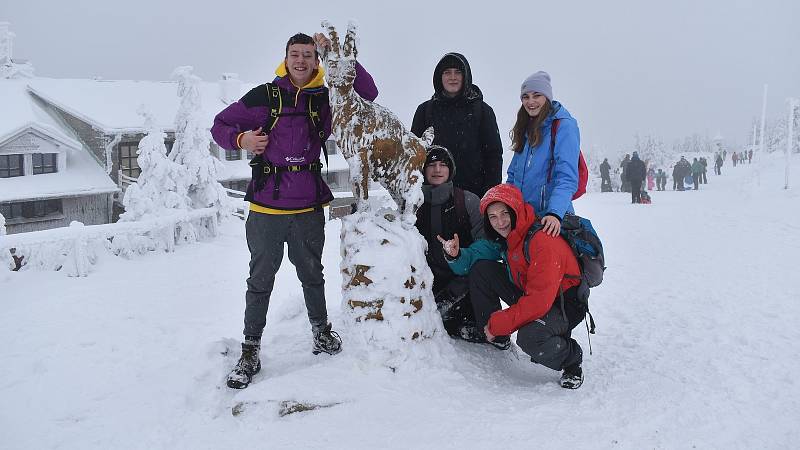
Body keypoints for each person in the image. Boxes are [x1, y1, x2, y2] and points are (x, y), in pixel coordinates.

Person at [211, 32, 379, 389]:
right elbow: (219, 125)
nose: (301, 60)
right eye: (295, 54)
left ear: (317, 60)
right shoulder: (265, 95)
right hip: (266, 207)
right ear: (285, 58)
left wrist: (333, 50)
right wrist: (241, 140)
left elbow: (368, 92)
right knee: (260, 280)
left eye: (308, 54)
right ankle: (250, 348)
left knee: (312, 274)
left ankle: (320, 332)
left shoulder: (325, 97)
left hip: (307, 205)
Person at [438, 183, 586, 389]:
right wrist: (455, 255)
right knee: (482, 269)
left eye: (504, 213)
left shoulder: (542, 241)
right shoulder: (507, 238)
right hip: (533, 294)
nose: (500, 222)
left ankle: (572, 359)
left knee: (529, 337)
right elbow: (475, 257)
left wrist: (497, 322)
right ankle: (497, 338)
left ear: (515, 210)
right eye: (493, 217)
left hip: (564, 304)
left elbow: (538, 302)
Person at [414, 146, 485, 341]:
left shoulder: (468, 201)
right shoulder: (413, 205)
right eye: (432, 165)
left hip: (463, 281)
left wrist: (460, 261)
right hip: (428, 281)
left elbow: (485, 248)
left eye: (443, 165)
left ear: (450, 170)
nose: (437, 170)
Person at [411, 52, 503, 198]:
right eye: (447, 72)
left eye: (458, 72)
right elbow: (414, 156)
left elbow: (493, 156)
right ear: (439, 77)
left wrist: (489, 196)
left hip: (473, 197)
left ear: (465, 76)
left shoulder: (483, 111)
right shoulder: (425, 111)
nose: (452, 77)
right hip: (432, 199)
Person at [506, 71, 580, 238]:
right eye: (525, 97)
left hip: (551, 221)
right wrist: (507, 207)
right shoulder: (526, 128)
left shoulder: (564, 126)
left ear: (547, 97)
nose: (530, 101)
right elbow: (512, 176)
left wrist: (554, 213)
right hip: (524, 218)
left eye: (536, 95)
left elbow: (567, 177)